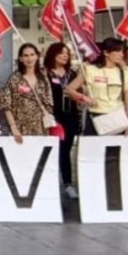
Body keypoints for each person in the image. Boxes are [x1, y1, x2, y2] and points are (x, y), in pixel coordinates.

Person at [66, 37, 128, 136]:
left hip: (117, 118)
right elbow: (69, 90)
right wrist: (84, 98)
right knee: (93, 150)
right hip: (95, 117)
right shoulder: (90, 70)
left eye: (122, 51)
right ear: (106, 52)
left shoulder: (125, 72)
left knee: (114, 151)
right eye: (117, 51)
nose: (121, 54)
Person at [43, 43, 82, 199]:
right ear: (53, 55)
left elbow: (78, 92)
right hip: (53, 115)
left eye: (67, 53)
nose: (65, 56)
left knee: (66, 149)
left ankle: (68, 184)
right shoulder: (45, 73)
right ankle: (51, 181)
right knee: (53, 148)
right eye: (61, 53)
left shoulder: (72, 74)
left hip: (70, 115)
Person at [2, 43, 54, 143]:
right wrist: (13, 127)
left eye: (32, 54)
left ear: (37, 56)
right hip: (19, 127)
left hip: (40, 128)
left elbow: (49, 103)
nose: (29, 58)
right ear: (21, 58)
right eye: (25, 55)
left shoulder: (43, 78)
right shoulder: (15, 78)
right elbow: (6, 105)